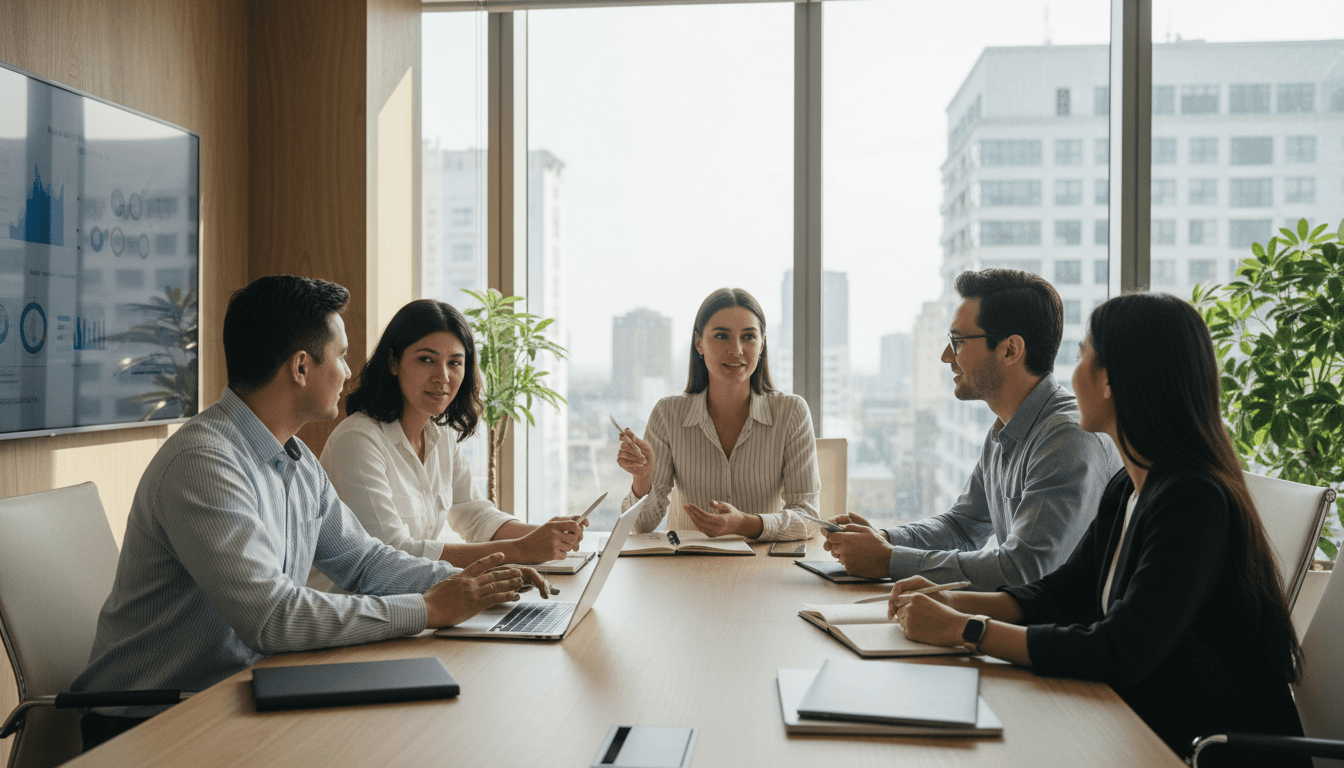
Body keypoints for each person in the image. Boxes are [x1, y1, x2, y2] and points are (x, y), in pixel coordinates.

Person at [71, 276, 549, 751]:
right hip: (151, 718)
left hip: (241, 688)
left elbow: (365, 563)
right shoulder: (204, 463)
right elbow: (272, 617)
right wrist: (428, 607)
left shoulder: (295, 460)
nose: (346, 371)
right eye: (340, 356)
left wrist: (473, 584)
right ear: (301, 366)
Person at [888, 293, 1307, 767]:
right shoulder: (1128, 489)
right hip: (1139, 726)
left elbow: (1118, 649)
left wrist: (968, 630)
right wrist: (955, 601)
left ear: (1109, 380)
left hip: (1200, 750)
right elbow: (1062, 594)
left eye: (1084, 355)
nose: (1072, 373)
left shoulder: (1194, 502)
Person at [823, 268, 1121, 590]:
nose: (946, 356)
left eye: (958, 341)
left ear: (1009, 350)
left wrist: (888, 560)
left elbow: (1023, 571)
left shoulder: (1067, 439)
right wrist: (882, 540)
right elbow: (963, 528)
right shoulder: (1004, 431)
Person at [310, 299, 585, 589]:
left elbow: (477, 517)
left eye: (454, 363)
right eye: (426, 359)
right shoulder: (358, 440)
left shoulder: (440, 435)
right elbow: (393, 555)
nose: (442, 377)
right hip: (355, 614)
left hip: (414, 607)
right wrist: (521, 550)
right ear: (393, 362)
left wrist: (550, 536)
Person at [616, 288, 820, 541]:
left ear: (762, 343)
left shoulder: (791, 412)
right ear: (699, 343)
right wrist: (642, 478)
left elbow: (809, 519)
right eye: (722, 336)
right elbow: (642, 525)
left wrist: (746, 524)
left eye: (748, 337)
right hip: (686, 568)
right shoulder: (667, 414)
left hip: (762, 566)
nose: (736, 349)